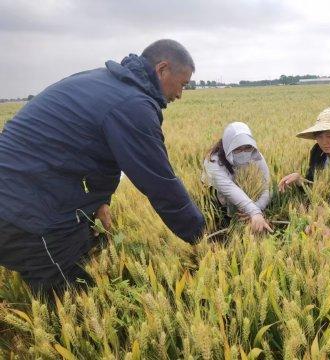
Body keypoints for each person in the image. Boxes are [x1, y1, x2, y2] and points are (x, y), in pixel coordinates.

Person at [0, 39, 205, 295]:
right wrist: (202, 236)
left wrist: (100, 201)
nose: (180, 94)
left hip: (21, 189)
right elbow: (160, 183)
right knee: (76, 302)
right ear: (162, 69)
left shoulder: (104, 81)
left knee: (85, 246)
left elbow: (100, 158)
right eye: (182, 84)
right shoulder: (132, 105)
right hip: (26, 208)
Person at [202, 122, 273, 233]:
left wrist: (256, 207)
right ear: (227, 146)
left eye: (247, 147)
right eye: (238, 149)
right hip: (218, 204)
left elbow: (266, 187)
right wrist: (254, 211)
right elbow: (229, 189)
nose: (244, 152)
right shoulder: (213, 162)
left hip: (250, 203)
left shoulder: (255, 155)